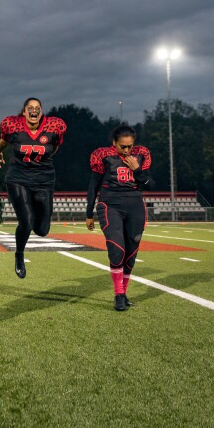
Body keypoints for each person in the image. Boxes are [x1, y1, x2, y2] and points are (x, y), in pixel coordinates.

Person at [0, 98, 67, 278]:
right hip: (18, 178)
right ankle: (19, 254)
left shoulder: (53, 128)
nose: (34, 111)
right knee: (26, 221)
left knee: (42, 231)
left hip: (44, 179)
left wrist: (43, 160)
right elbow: (4, 140)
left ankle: (33, 213)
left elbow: (54, 147)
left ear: (41, 112)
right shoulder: (14, 127)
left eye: (37, 108)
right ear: (24, 112)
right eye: (30, 108)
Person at [85, 124, 153, 312]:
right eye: (122, 146)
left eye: (130, 146)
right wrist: (88, 213)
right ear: (114, 143)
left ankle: (124, 292)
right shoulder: (103, 156)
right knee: (116, 249)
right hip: (110, 205)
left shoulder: (141, 155)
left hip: (135, 207)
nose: (126, 150)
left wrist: (137, 169)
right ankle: (118, 294)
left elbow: (150, 185)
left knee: (131, 253)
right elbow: (93, 185)